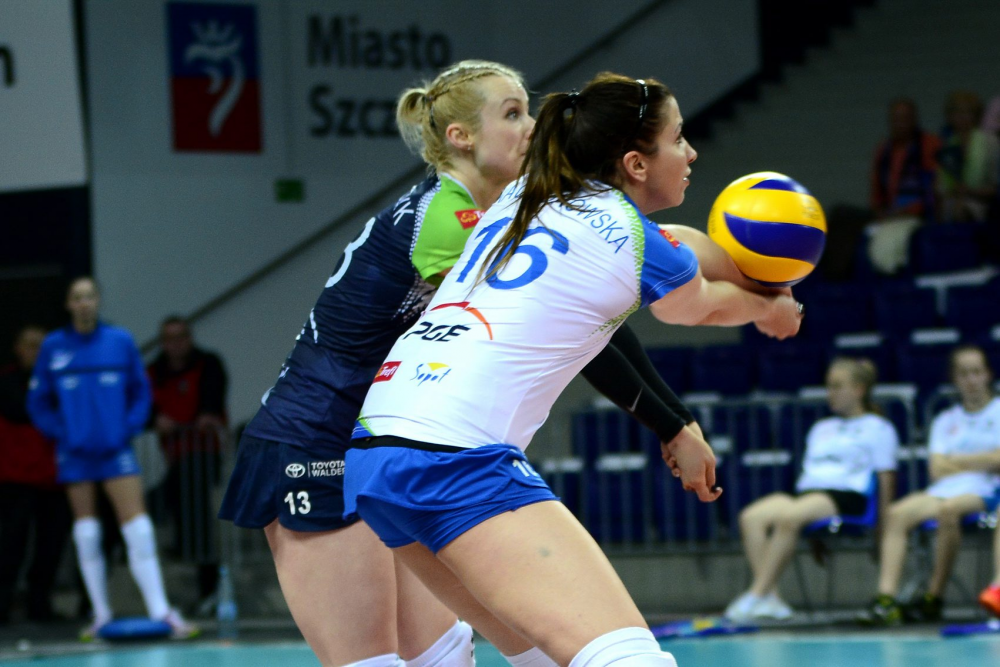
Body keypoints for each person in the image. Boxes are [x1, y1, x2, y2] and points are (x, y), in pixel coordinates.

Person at [220, 59, 716, 667]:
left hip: (385, 445)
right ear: (460, 137)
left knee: (447, 653)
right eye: (512, 114)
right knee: (373, 662)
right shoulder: (447, 217)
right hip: (316, 438)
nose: (531, 127)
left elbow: (595, 317)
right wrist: (672, 423)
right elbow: (587, 331)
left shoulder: (507, 211)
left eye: (529, 111)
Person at [344, 72, 802, 667]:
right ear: (636, 164)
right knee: (629, 661)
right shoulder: (625, 236)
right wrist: (770, 307)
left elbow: (675, 245)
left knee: (543, 658)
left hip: (377, 451)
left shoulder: (531, 194)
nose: (691, 152)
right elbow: (698, 305)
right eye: (678, 138)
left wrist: (751, 278)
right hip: (453, 456)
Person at [26, 277, 197, 640]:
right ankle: (100, 614)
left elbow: (141, 392)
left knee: (139, 529)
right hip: (75, 454)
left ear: (98, 300)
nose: (84, 303)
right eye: (77, 297)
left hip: (116, 450)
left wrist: (127, 428)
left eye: (89, 296)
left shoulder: (120, 341)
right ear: (68, 304)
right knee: (86, 533)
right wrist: (63, 433)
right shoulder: (53, 346)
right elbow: (37, 402)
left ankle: (161, 611)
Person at [724, 358, 900, 622]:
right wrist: (814, 533)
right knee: (751, 517)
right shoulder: (821, 428)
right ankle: (771, 598)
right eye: (828, 387)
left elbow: (887, 479)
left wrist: (881, 528)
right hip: (809, 496)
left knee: (790, 516)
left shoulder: (880, 428)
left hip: (848, 496)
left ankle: (755, 595)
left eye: (837, 386)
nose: (830, 393)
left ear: (859, 390)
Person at [859, 344, 1000, 625]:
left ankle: (934, 596)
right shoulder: (945, 420)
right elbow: (936, 469)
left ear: (987, 374)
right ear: (955, 379)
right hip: (944, 488)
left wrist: (956, 460)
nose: (971, 380)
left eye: (976, 372)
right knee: (896, 513)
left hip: (986, 489)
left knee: (949, 510)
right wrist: (984, 458)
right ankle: (886, 599)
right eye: (964, 374)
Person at [147, 315, 228, 609]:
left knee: (192, 507)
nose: (176, 344)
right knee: (174, 498)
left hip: (204, 453)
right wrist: (155, 420)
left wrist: (206, 415)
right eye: (169, 338)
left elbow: (212, 400)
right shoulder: (153, 372)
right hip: (174, 457)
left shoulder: (208, 363)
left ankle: (206, 578)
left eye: (181, 336)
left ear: (190, 338)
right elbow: (144, 405)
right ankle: (183, 547)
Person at [0, 325, 72, 624]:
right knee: (10, 545)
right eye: (30, 345)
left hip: (54, 479)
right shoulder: (6, 380)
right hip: (14, 479)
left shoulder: (60, 381)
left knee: (50, 546)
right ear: (18, 348)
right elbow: (21, 409)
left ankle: (40, 606)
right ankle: (2, 605)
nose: (36, 351)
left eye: (41, 345)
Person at [870, 98, 941, 222]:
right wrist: (879, 211)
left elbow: (933, 189)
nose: (900, 124)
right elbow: (877, 191)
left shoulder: (929, 145)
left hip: (919, 216)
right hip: (889, 214)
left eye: (904, 118)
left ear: (914, 119)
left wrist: (909, 210)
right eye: (896, 119)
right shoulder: (884, 150)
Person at [937, 91, 1000, 223]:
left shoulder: (990, 142)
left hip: (982, 204)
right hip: (952, 202)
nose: (962, 117)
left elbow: (995, 186)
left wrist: (969, 192)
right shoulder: (947, 145)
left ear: (976, 116)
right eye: (958, 112)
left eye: (968, 112)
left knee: (960, 211)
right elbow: (941, 187)